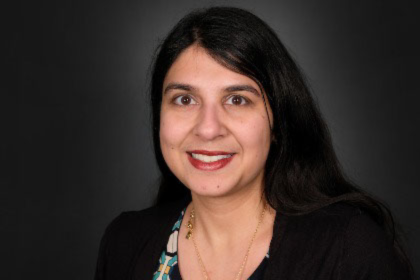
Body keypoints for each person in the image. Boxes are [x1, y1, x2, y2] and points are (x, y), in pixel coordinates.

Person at [95, 7, 412, 280]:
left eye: (236, 99)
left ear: (277, 122)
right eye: (185, 99)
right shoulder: (125, 242)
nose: (208, 129)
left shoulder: (349, 249)